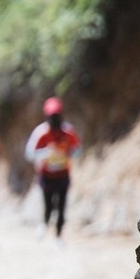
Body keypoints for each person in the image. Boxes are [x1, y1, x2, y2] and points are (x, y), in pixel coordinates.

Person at [25, 97, 81, 243]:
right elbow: (30, 153)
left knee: (62, 205)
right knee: (48, 204)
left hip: (63, 174)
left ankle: (59, 235)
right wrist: (46, 153)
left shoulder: (68, 132)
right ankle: (45, 223)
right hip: (46, 176)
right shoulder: (41, 132)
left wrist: (66, 152)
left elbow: (77, 150)